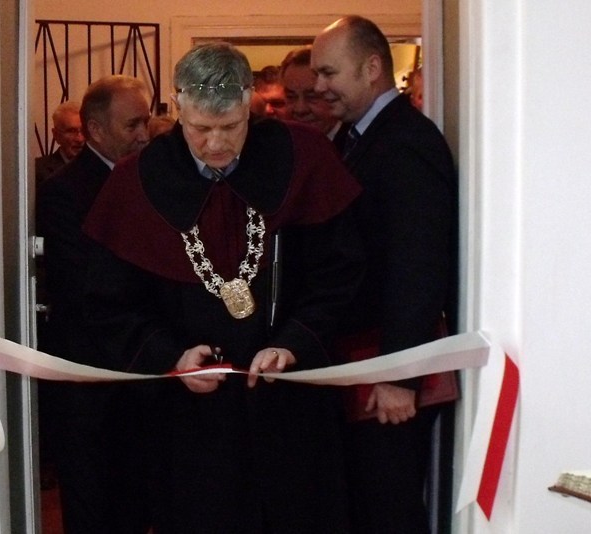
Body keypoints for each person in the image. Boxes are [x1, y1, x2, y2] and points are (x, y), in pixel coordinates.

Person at [81, 42, 365, 533]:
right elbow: (109, 302)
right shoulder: (136, 181)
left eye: (231, 126)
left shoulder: (303, 157)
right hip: (191, 419)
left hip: (290, 405)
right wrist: (170, 356)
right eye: (200, 128)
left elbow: (341, 271)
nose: (216, 144)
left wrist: (296, 341)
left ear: (249, 101)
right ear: (177, 105)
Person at [312, 16, 458, 533]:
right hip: (362, 365)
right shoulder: (356, 138)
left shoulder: (405, 142)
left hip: (386, 374)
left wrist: (400, 375)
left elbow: (417, 265)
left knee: (387, 511)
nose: (318, 86)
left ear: (372, 67)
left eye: (329, 73)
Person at [36, 74, 151, 534]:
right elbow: (80, 283)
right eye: (132, 125)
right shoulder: (64, 190)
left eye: (145, 122)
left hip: (144, 369)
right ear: (96, 130)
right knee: (92, 499)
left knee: (138, 496)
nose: (144, 134)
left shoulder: (154, 178)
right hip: (90, 375)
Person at [280, 46, 340, 139]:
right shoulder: (277, 144)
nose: (300, 109)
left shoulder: (357, 143)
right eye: (291, 97)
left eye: (312, 97)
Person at [35, 100, 85, 185]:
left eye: (83, 130)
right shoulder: (37, 170)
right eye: (71, 131)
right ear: (56, 135)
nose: (80, 139)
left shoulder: (100, 168)